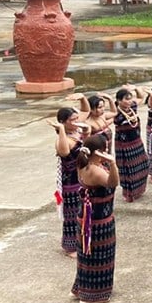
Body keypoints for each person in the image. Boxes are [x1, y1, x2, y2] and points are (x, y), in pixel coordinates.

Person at [73, 135, 120, 303]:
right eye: (104, 149)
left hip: (87, 217)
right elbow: (113, 182)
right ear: (98, 152)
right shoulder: (95, 170)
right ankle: (94, 294)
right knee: (98, 256)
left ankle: (83, 288)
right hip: (98, 220)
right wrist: (113, 163)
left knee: (87, 255)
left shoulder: (84, 164)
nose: (106, 152)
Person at [51, 104, 88, 255]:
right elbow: (65, 152)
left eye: (76, 118)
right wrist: (61, 130)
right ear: (63, 122)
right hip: (70, 182)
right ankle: (70, 247)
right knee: (72, 215)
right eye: (72, 120)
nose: (76, 121)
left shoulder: (78, 133)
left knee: (83, 212)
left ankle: (83, 241)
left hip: (82, 178)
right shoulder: (63, 139)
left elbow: (86, 110)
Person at [114, 86, 150, 202]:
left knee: (143, 164)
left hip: (137, 142)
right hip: (124, 145)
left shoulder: (132, 107)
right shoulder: (116, 113)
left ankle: (139, 190)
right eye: (126, 99)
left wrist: (135, 88)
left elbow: (141, 96)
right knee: (128, 169)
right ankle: (129, 193)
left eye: (130, 99)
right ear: (119, 101)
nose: (129, 101)